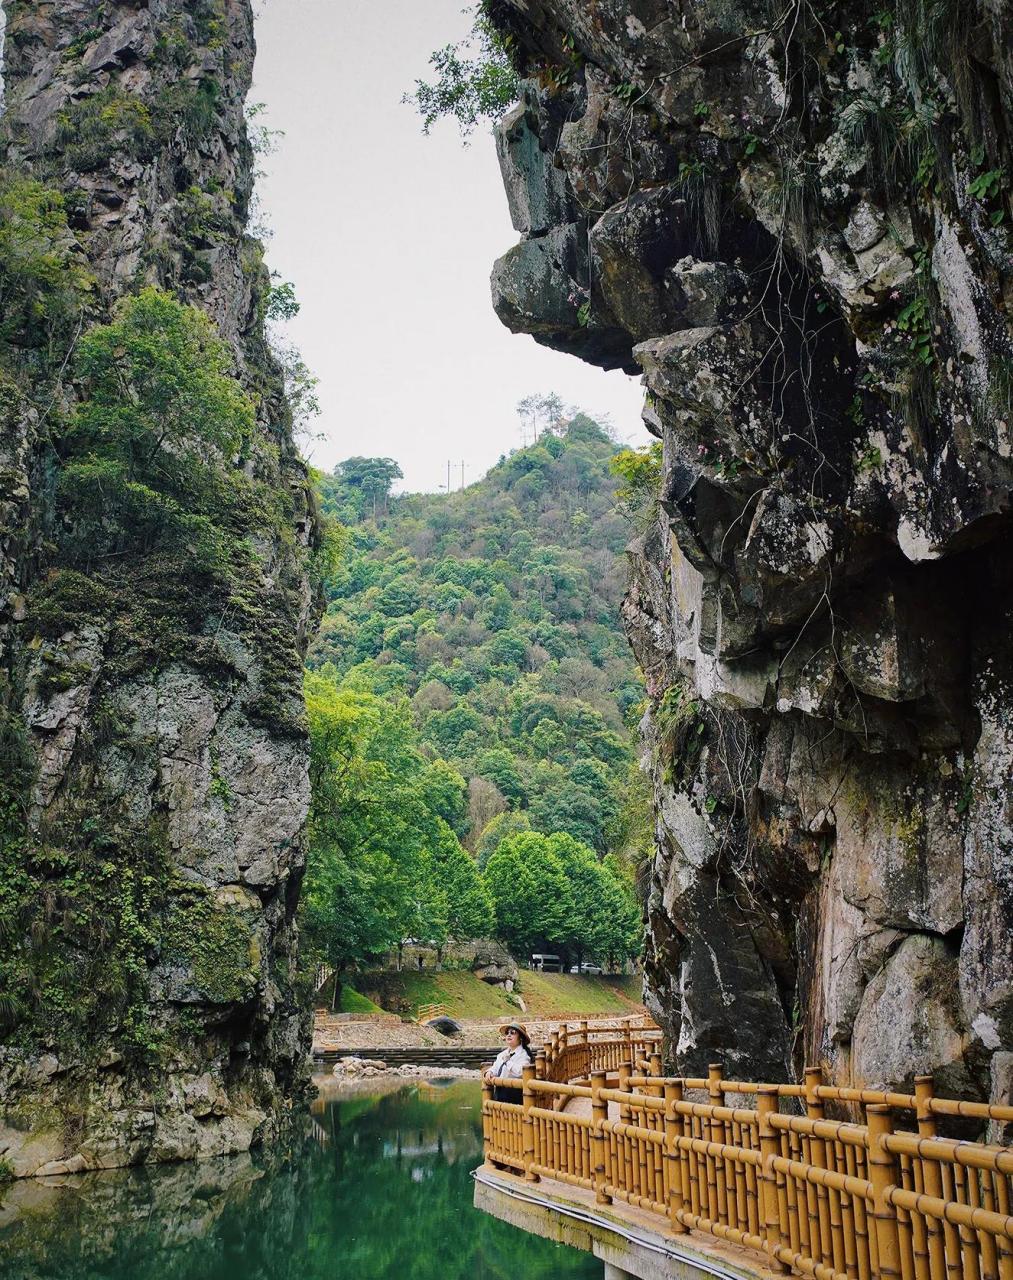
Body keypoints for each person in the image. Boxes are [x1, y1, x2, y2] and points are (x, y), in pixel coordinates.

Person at [483, 1022, 534, 1102]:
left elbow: (521, 1072)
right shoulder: (502, 1054)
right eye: (507, 1033)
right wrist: (489, 1072)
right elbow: (495, 1068)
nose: (509, 1035)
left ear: (520, 1037)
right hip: (499, 1094)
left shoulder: (524, 1055)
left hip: (515, 1095)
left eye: (513, 1033)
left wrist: (508, 1062)